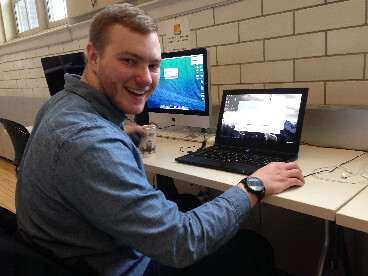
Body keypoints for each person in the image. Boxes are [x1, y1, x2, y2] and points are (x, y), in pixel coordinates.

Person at [15, 3, 305, 275]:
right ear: (93, 56)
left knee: (187, 201)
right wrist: (254, 185)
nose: (145, 78)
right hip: (122, 267)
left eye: (154, 65)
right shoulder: (87, 142)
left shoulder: (61, 105)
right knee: (254, 247)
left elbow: (79, 147)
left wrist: (115, 133)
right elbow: (181, 242)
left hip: (76, 254)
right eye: (129, 60)